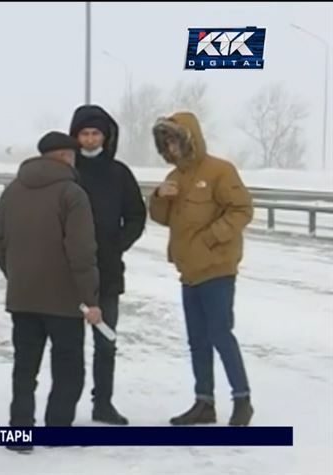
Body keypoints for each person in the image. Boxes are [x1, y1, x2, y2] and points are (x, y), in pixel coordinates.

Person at [0, 131, 102, 452]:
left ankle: (20, 432)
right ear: (67, 156)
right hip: (65, 301)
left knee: (25, 367)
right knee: (68, 368)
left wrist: (17, 275)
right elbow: (81, 252)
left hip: (23, 298)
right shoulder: (72, 193)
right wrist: (90, 299)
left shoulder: (13, 190)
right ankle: (57, 430)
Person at [149, 112, 255, 427]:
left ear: (189, 139)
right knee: (197, 339)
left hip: (217, 269)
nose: (171, 147)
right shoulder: (175, 177)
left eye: (175, 140)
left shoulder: (220, 171)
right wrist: (158, 196)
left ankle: (242, 400)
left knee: (220, 334)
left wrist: (211, 239)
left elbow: (242, 209)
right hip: (189, 271)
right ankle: (204, 402)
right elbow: (162, 218)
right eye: (165, 142)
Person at [68, 105, 147, 425]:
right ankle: (64, 408)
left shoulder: (119, 173)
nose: (89, 140)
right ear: (76, 136)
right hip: (70, 272)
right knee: (70, 345)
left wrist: (117, 245)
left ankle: (103, 404)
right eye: (84, 134)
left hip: (108, 272)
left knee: (106, 341)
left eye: (95, 133)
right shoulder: (68, 171)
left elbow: (136, 215)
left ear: (106, 136)